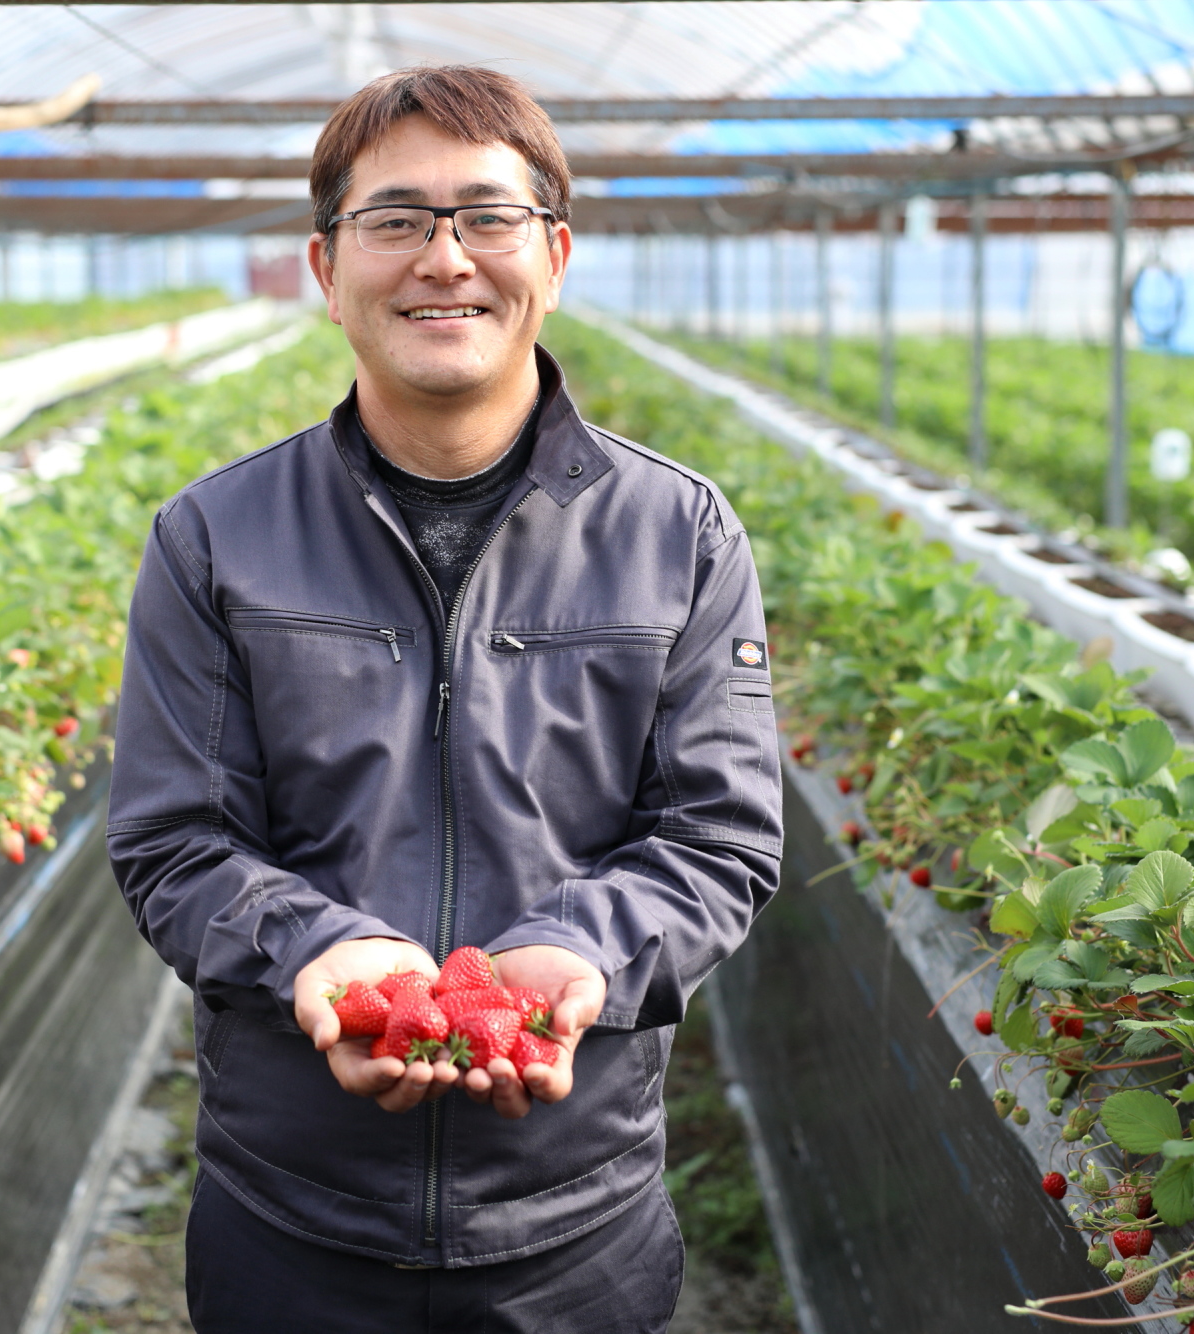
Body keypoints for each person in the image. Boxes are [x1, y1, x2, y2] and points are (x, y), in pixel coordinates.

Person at [107, 63, 782, 1334]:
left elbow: (719, 835)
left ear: (553, 255)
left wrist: (580, 950)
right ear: (325, 269)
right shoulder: (213, 537)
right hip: (290, 1215)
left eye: (486, 215)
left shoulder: (679, 534)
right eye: (396, 219)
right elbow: (173, 838)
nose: (444, 257)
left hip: (572, 1221)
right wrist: (318, 949)